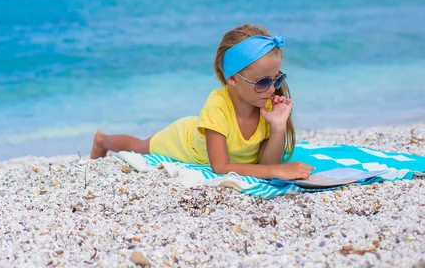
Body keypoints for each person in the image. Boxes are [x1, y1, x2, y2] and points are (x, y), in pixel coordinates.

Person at [90, 23, 315, 180]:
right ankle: (103, 140)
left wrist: (277, 128)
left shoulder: (265, 103)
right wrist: (278, 172)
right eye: (263, 82)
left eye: (276, 79)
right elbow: (220, 167)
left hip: (201, 130)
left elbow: (266, 165)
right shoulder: (217, 106)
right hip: (182, 140)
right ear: (233, 79)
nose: (273, 88)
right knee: (138, 147)